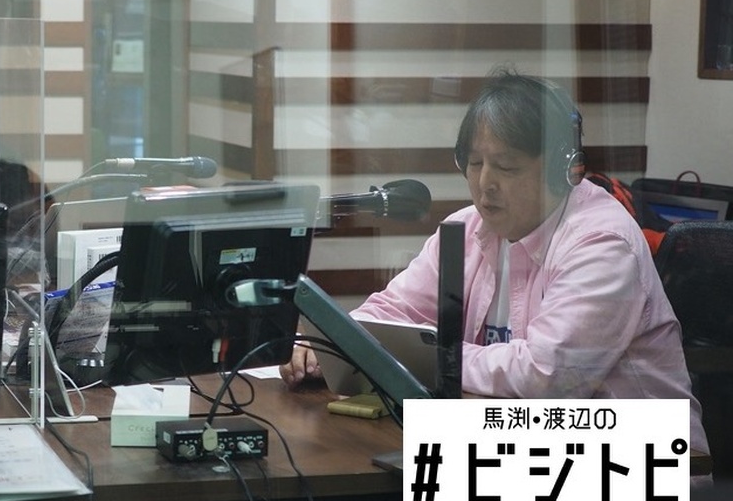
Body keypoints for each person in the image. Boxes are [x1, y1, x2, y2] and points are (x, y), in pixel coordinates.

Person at [281, 68, 708, 456]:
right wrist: (329, 347)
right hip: (521, 450)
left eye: (506, 167)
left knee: (396, 499)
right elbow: (392, 312)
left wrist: (426, 361)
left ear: (564, 171)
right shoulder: (467, 229)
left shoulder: (602, 243)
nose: (485, 184)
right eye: (474, 163)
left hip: (636, 467)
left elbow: (545, 377)